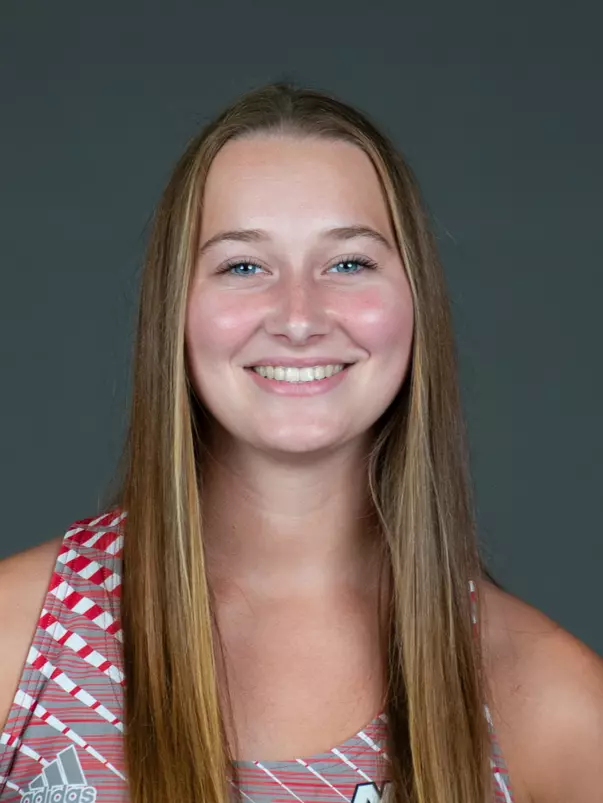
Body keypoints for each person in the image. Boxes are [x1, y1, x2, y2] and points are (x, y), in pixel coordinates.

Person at [0, 81, 601, 803]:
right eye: (242, 266)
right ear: (175, 310)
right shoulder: (16, 641)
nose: (297, 316)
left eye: (348, 262)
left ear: (415, 300)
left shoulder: (547, 699)